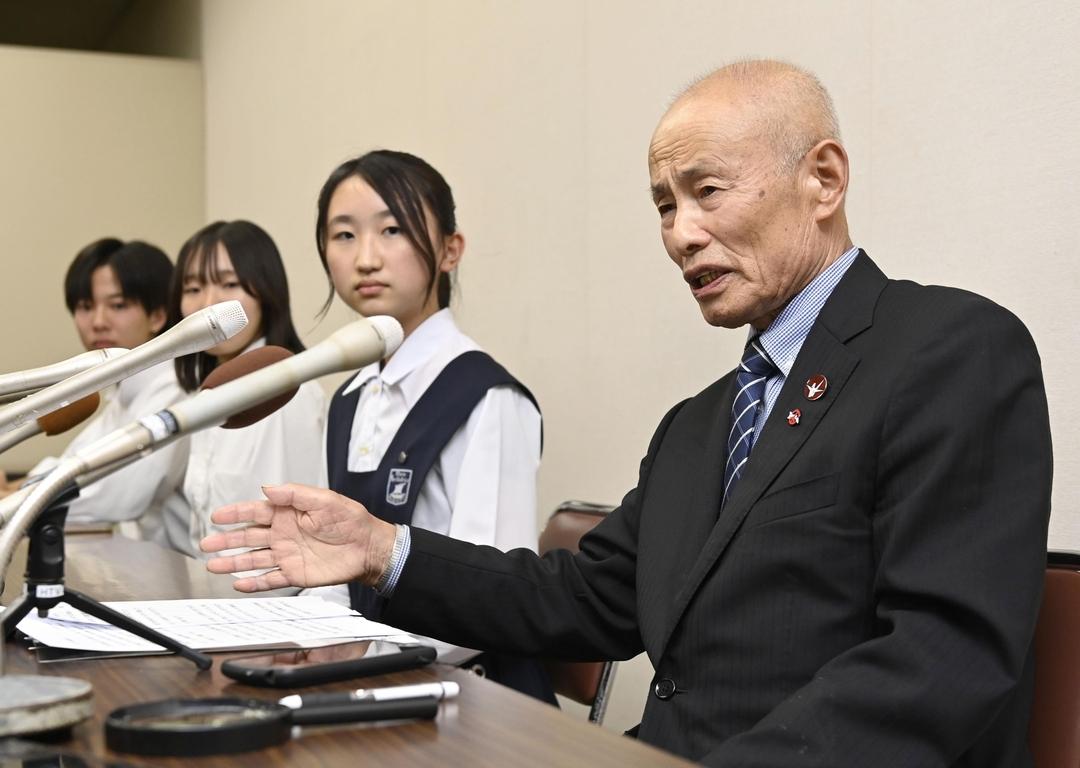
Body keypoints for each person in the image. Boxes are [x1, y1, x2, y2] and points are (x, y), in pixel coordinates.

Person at [202, 61, 1052, 766]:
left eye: (707, 191)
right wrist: (383, 551)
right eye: (663, 205)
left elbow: (943, 659)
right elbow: (586, 597)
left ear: (822, 179)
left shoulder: (948, 349)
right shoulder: (699, 424)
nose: (681, 234)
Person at [306, 150, 549, 700]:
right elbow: (332, 573)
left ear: (449, 249)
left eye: (392, 229)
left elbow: (493, 593)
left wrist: (361, 659)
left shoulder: (491, 398)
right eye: (343, 236)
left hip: (471, 699)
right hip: (365, 683)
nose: (366, 258)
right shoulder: (348, 397)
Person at [1, 238, 189, 539]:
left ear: (157, 315)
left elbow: (115, 493)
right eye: (85, 307)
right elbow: (75, 464)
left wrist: (12, 498)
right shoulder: (122, 393)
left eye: (118, 305)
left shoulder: (174, 389)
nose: (98, 322)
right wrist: (13, 489)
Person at [160, 220, 325, 558]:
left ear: (266, 292)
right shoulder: (207, 393)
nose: (209, 305)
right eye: (192, 289)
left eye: (229, 284)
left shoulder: (287, 390)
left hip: (268, 603)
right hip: (211, 595)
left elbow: (292, 543)